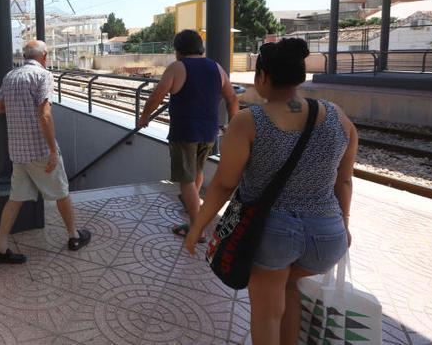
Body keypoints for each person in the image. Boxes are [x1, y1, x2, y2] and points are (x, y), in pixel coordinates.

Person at [185, 38, 357, 345]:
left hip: (272, 234)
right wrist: (343, 224)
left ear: (263, 77)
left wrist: (197, 225)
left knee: (267, 313)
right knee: (290, 294)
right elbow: (343, 182)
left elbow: (225, 183)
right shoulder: (338, 117)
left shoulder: (248, 121)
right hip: (327, 235)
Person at [0, 40, 91, 264]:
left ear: (25, 56)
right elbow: (44, 114)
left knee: (15, 198)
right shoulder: (43, 76)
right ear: (44, 56)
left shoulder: (10, 76)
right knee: (62, 192)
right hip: (39, 150)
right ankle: (74, 236)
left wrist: (18, 108)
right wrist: (53, 151)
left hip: (17, 151)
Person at [137, 29, 239, 240]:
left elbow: (157, 95)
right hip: (209, 132)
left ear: (178, 51)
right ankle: (193, 217)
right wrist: (233, 124)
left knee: (186, 179)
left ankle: (196, 228)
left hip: (184, 132)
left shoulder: (177, 67)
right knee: (197, 172)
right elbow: (232, 99)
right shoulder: (217, 68)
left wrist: (144, 117)